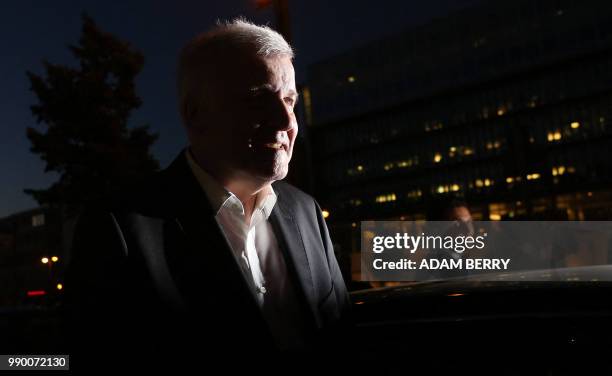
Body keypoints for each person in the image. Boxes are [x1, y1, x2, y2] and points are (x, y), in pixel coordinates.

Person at [63, 19, 350, 371]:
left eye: (289, 99)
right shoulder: (119, 228)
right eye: (259, 98)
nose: (286, 120)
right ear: (194, 114)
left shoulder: (306, 211)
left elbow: (340, 339)